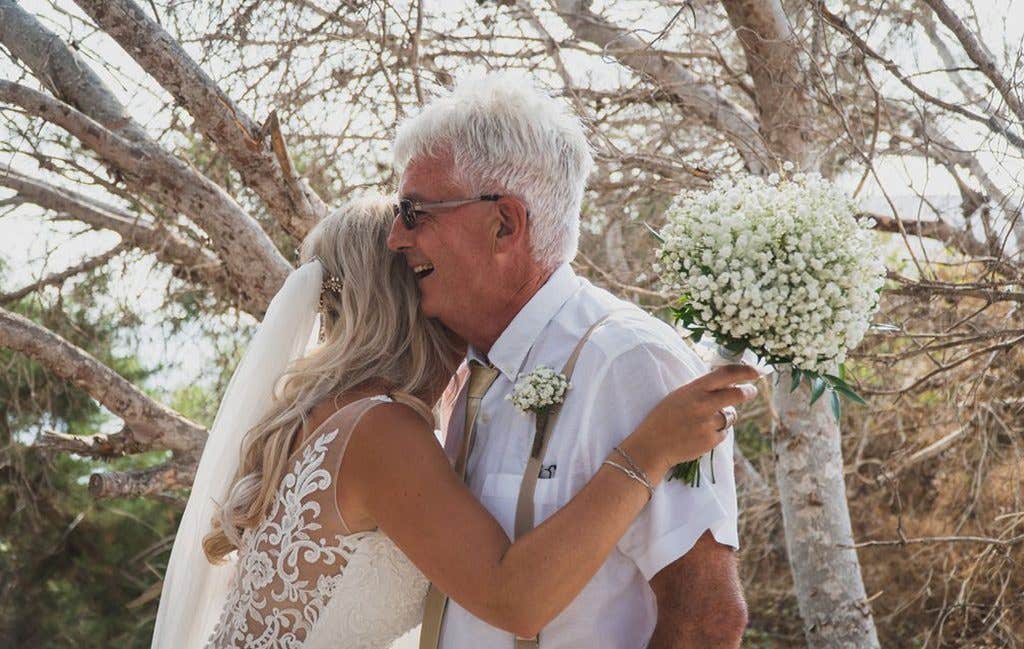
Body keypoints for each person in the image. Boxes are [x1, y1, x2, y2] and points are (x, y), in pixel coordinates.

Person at [150, 194, 758, 649]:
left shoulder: (323, 415)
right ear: (412, 303)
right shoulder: (380, 431)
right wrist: (646, 454)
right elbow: (513, 600)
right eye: (428, 278)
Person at [386, 72, 748, 649]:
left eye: (414, 211)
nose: (396, 238)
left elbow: (706, 620)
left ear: (504, 224)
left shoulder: (630, 362)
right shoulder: (462, 371)